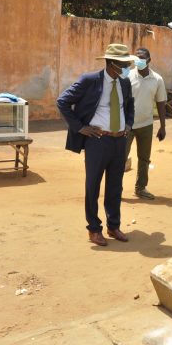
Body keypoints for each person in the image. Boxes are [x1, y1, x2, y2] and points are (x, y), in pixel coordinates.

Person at [57, 43, 136, 246]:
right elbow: (63, 101)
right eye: (123, 63)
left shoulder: (124, 83)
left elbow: (129, 106)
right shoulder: (90, 80)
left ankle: (113, 225)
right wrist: (80, 127)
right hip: (97, 141)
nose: (127, 67)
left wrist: (128, 125)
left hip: (119, 141)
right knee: (93, 185)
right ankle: (94, 228)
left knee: (115, 186)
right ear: (111, 63)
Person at [126, 47, 167, 199]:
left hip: (146, 124)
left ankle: (140, 188)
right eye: (136, 58)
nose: (138, 61)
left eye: (142, 58)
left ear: (149, 60)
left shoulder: (157, 79)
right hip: (127, 125)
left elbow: (161, 102)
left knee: (144, 158)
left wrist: (163, 126)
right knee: (120, 157)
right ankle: (116, 188)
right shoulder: (128, 76)